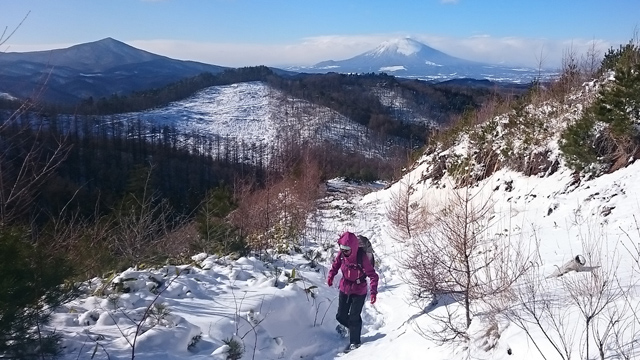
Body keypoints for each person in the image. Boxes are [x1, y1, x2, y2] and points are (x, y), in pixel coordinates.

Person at [327, 231, 379, 352]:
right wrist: (331, 276)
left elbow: (373, 275)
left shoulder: (362, 257)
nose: (344, 252)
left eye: (346, 250)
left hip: (359, 290)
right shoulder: (342, 255)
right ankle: (352, 328)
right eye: (342, 249)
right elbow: (335, 266)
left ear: (353, 247)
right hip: (345, 287)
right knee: (340, 316)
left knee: (354, 317)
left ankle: (355, 343)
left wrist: (373, 292)